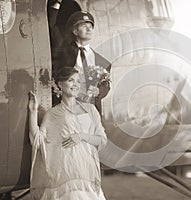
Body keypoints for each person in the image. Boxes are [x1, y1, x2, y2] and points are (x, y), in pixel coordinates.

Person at [28, 67, 107, 199]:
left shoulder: (90, 109)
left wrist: (81, 136)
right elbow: (37, 140)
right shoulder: (53, 113)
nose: (75, 84)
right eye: (71, 80)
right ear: (60, 84)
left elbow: (102, 140)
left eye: (78, 81)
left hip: (87, 173)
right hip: (65, 175)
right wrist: (33, 111)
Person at [53, 10, 111, 116]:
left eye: (91, 26)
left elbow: (106, 84)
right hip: (68, 110)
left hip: (91, 112)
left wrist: (99, 91)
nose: (89, 29)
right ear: (75, 31)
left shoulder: (101, 61)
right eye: (84, 26)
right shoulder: (62, 54)